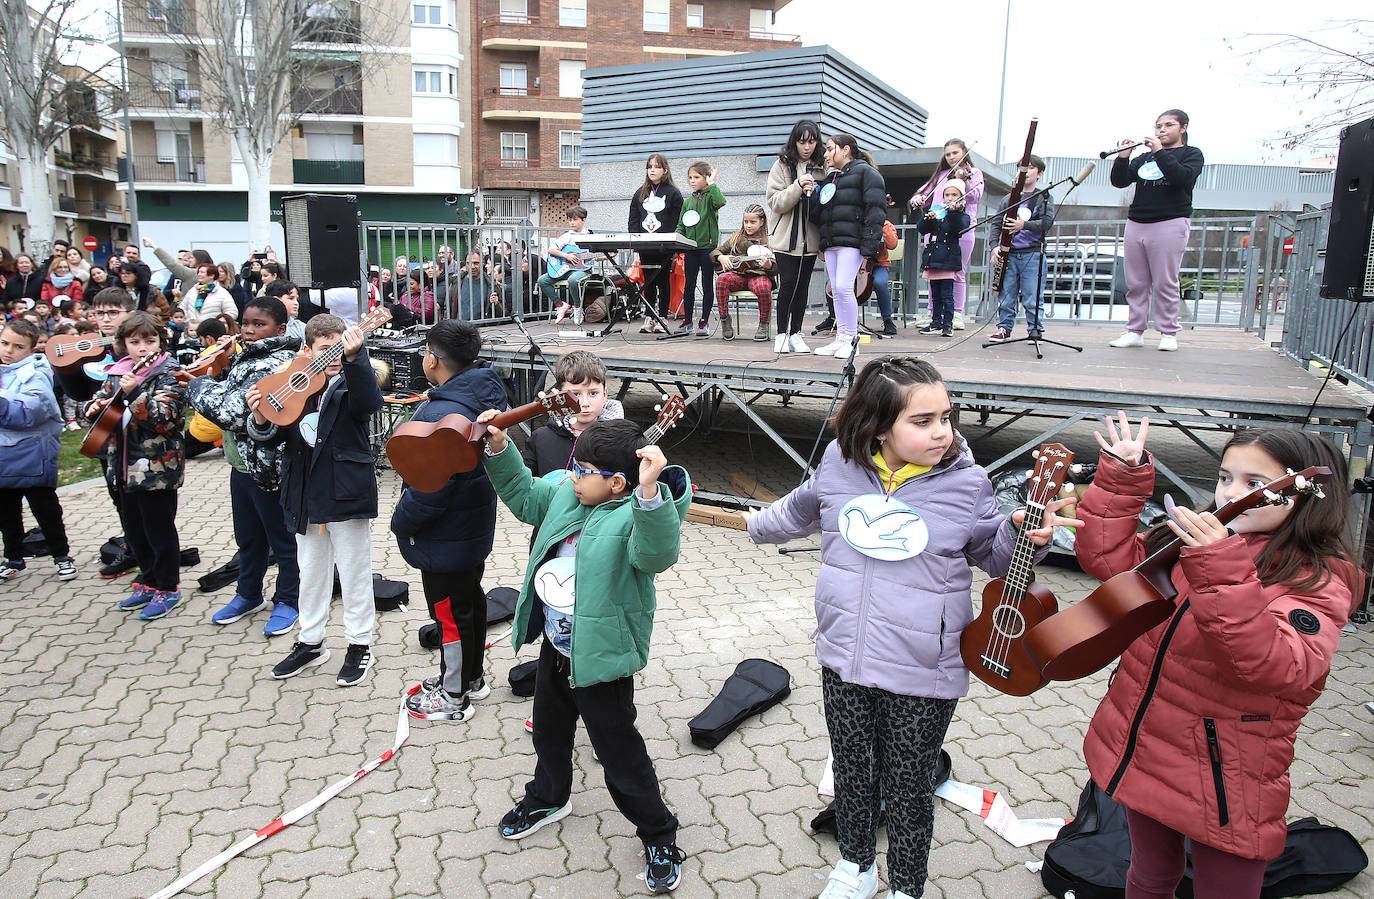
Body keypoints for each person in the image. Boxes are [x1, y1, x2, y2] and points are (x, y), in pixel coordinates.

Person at [745, 356, 1077, 899]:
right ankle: (856, 868)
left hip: (924, 665)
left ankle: (906, 885)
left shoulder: (967, 484)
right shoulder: (838, 463)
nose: (942, 432)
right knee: (852, 770)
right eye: (922, 421)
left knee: (907, 784)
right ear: (877, 425)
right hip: (844, 655)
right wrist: (749, 524)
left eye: (946, 417)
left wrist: (1022, 536)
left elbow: (992, 558)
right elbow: (801, 508)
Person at [1074, 415, 1358, 899]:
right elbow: (1109, 562)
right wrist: (1123, 479)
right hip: (1147, 745)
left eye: (1256, 483)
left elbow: (1277, 666)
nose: (1231, 493)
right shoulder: (1196, 545)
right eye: (1226, 477)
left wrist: (1220, 565)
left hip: (1224, 772)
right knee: (1147, 875)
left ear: (1305, 494)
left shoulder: (1317, 579)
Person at [476, 412, 692, 894]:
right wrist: (498, 447)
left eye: (582, 470)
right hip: (557, 646)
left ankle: (658, 830)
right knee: (550, 733)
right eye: (573, 466)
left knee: (617, 752)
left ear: (618, 483)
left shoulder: (634, 517)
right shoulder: (566, 496)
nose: (572, 476)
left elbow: (656, 555)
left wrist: (651, 494)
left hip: (602, 658)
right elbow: (524, 494)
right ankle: (548, 797)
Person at [248, 315, 383, 686]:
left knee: (355, 571)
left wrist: (356, 359)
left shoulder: (352, 377)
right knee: (310, 570)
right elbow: (272, 436)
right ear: (307, 350)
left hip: (345, 490)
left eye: (340, 348)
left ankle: (359, 643)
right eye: (326, 349)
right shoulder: (294, 383)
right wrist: (260, 418)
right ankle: (311, 641)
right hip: (304, 490)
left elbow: (368, 405)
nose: (333, 355)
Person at [392, 320, 508, 721]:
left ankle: (454, 695)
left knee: (448, 615)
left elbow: (429, 488)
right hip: (471, 530)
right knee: (470, 602)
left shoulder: (442, 411)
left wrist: (401, 523)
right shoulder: (482, 394)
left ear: (433, 359)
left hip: (444, 537)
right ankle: (472, 677)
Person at [183, 296, 303, 637]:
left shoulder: (277, 365)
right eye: (245, 324)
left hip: (269, 471)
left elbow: (233, 412)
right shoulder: (246, 357)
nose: (248, 331)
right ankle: (248, 594)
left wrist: (197, 384)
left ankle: (288, 600)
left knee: (283, 543)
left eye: (258, 325)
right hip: (242, 467)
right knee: (249, 539)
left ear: (280, 329)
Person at [87, 311, 189, 620]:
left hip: (156, 469)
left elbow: (164, 421)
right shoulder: (118, 372)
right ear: (123, 344)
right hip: (121, 467)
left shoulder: (171, 374)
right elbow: (103, 410)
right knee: (134, 531)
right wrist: (95, 410)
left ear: (161, 341)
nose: (142, 348)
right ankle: (148, 580)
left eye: (149, 340)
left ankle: (169, 588)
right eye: (134, 342)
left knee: (159, 530)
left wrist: (136, 393)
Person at [1109, 109, 1205, 352]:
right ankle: (1135, 330)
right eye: (1158, 126)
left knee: (1165, 281)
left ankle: (1169, 332)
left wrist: (1160, 152)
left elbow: (1181, 178)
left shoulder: (1191, 154)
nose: (1161, 130)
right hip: (1138, 222)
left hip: (1170, 222)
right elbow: (1120, 181)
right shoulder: (1144, 158)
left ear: (1183, 128)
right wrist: (1123, 157)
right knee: (1136, 282)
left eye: (1168, 125)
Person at [0, 318, 77, 582]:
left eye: (17, 346)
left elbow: (27, 413)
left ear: (31, 350)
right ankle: (13, 558)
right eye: (4, 343)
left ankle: (61, 556)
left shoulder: (36, 374)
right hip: (3, 457)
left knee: (45, 509)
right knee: (7, 512)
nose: (9, 350)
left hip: (33, 454)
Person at [810, 133, 887, 358]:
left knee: (843, 287)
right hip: (832, 241)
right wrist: (810, 194)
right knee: (837, 289)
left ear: (845, 150)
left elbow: (876, 210)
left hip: (852, 242)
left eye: (830, 148)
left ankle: (851, 339)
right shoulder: (832, 178)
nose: (825, 154)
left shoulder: (867, 173)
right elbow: (820, 211)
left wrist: (869, 245)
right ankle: (841, 338)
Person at [907, 138, 982, 331]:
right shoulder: (941, 175)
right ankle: (934, 314)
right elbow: (922, 195)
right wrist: (918, 199)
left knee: (958, 272)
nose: (951, 157)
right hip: (936, 230)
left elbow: (975, 196)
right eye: (948, 154)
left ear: (964, 152)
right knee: (933, 273)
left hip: (959, 230)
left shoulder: (973, 173)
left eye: (955, 153)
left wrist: (963, 180)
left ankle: (956, 313)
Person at [766, 119, 826, 354]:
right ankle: (781, 333)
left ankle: (796, 333)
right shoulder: (781, 165)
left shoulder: (823, 166)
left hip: (810, 239)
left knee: (803, 287)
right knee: (788, 285)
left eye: (812, 141)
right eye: (802, 142)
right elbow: (775, 202)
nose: (807, 147)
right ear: (795, 142)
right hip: (785, 239)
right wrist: (798, 186)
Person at [521, 351, 625, 477]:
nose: (584, 403)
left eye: (593, 393)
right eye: (575, 394)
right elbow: (520, 483)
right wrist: (500, 446)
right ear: (560, 396)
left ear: (605, 394)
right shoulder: (541, 439)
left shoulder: (622, 439)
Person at [986, 155, 1055, 343]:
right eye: (1021, 167)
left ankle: (1035, 329)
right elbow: (996, 225)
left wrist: (1023, 225)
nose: (1025, 171)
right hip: (1010, 254)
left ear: (1040, 173)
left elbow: (1046, 223)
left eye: (1031, 168)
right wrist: (994, 246)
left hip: (1032, 254)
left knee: (1032, 295)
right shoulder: (1008, 199)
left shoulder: (1043, 197)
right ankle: (1004, 328)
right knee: (1006, 294)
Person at [627, 153, 683, 334]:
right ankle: (649, 317)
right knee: (648, 281)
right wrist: (636, 242)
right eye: (649, 167)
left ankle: (662, 317)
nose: (652, 170)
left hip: (665, 246)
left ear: (665, 170)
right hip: (646, 246)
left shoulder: (673, 193)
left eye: (657, 167)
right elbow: (633, 219)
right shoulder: (640, 193)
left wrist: (676, 247)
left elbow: (678, 221)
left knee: (663, 281)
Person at [711, 203, 776, 341]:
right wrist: (721, 257)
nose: (748, 225)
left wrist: (769, 265)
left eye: (753, 222)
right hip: (739, 276)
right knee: (722, 280)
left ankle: (763, 324)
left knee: (763, 287)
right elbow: (715, 252)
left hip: (759, 276)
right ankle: (725, 320)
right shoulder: (736, 238)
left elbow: (777, 268)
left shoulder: (770, 240)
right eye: (746, 221)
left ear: (762, 221)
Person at [676, 161, 727, 337]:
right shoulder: (687, 201)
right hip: (690, 249)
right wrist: (677, 242)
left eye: (697, 177)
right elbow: (681, 225)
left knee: (706, 285)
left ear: (706, 178)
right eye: (690, 177)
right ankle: (688, 320)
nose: (692, 180)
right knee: (689, 285)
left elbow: (721, 201)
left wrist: (713, 183)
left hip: (707, 248)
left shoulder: (711, 198)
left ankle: (704, 321)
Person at [917, 179, 971, 338]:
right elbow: (921, 229)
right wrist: (927, 217)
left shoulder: (961, 215)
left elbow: (958, 229)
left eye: (954, 195)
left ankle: (948, 324)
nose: (950, 198)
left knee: (947, 295)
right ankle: (935, 322)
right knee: (935, 295)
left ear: (961, 197)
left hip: (948, 260)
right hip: (934, 259)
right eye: (947, 194)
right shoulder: (937, 212)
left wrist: (954, 212)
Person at [540, 206, 595, 324]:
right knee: (542, 280)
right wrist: (567, 256)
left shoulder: (590, 236)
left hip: (582, 270)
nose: (571, 223)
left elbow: (596, 256)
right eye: (570, 220)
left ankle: (577, 307)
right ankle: (560, 305)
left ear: (583, 220)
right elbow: (551, 250)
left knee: (573, 280)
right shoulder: (567, 236)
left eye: (575, 220)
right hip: (565, 269)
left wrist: (609, 255)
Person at [871, 212, 901, 336]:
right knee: (830, 284)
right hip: (858, 266)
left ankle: (887, 320)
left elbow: (893, 245)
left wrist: (881, 226)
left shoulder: (887, 225)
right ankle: (834, 318)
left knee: (880, 282)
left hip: (879, 265)